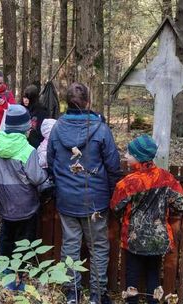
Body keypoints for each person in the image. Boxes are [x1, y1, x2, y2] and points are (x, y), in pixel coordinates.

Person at [47, 82, 121, 304]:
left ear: (66, 103)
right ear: (88, 102)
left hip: (69, 197)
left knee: (70, 245)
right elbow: (113, 166)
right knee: (97, 246)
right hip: (94, 200)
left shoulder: (59, 128)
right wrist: (109, 195)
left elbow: (51, 162)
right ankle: (96, 294)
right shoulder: (100, 129)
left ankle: (73, 292)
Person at [110, 135, 183, 304]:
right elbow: (182, 204)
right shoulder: (167, 178)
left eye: (129, 154)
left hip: (134, 238)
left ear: (139, 157)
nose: (125, 156)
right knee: (154, 272)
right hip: (158, 238)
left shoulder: (128, 183)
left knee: (132, 273)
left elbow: (115, 206)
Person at [0, 104, 48, 289]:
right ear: (24, 128)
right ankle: (20, 273)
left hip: (4, 204)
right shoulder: (28, 150)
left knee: (6, 234)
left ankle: (5, 270)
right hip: (26, 205)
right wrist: (45, 177)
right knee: (24, 238)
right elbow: (36, 178)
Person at [21, 84, 49, 148]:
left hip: (36, 145)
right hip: (22, 144)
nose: (25, 100)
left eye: (28, 98)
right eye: (24, 97)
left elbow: (42, 132)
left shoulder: (42, 111)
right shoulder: (21, 109)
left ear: (33, 98)